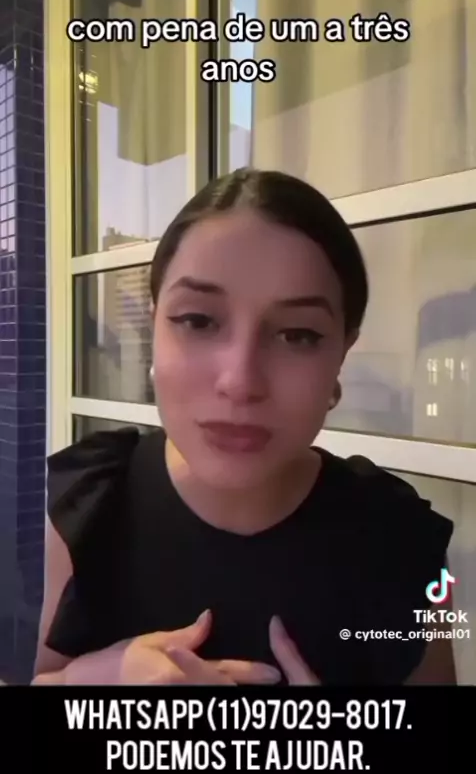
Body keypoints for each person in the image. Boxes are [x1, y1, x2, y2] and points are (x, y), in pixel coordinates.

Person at [33, 168, 455, 685]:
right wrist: (90, 680)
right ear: (155, 326)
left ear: (342, 352)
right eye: (198, 321)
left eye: (297, 335)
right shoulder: (82, 508)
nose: (240, 381)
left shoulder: (399, 544)